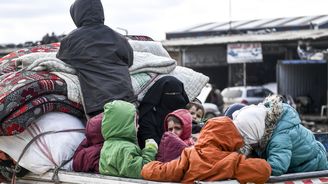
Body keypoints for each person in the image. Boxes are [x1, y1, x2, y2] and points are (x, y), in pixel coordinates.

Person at [56, 0, 135, 117]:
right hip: (127, 98)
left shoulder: (71, 40)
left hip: (99, 103)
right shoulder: (119, 37)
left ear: (77, 14)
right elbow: (129, 60)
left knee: (106, 134)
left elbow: (61, 59)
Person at [141, 116, 271, 183]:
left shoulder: (189, 155)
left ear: (205, 133)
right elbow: (264, 170)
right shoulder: (233, 162)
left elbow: (165, 172)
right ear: (231, 139)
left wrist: (148, 167)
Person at [232, 95, 328, 176]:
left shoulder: (280, 138)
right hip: (299, 163)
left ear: (256, 132)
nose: (250, 145)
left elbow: (277, 167)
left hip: (311, 166)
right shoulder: (263, 127)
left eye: (249, 141)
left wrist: (246, 169)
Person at [99, 100, 158, 179]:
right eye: (136, 122)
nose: (138, 126)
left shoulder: (108, 145)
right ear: (125, 124)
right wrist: (150, 149)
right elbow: (141, 170)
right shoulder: (125, 149)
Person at [137, 76, 189, 148]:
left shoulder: (186, 116)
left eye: (177, 94)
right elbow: (151, 144)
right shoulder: (148, 119)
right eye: (170, 94)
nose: (175, 98)